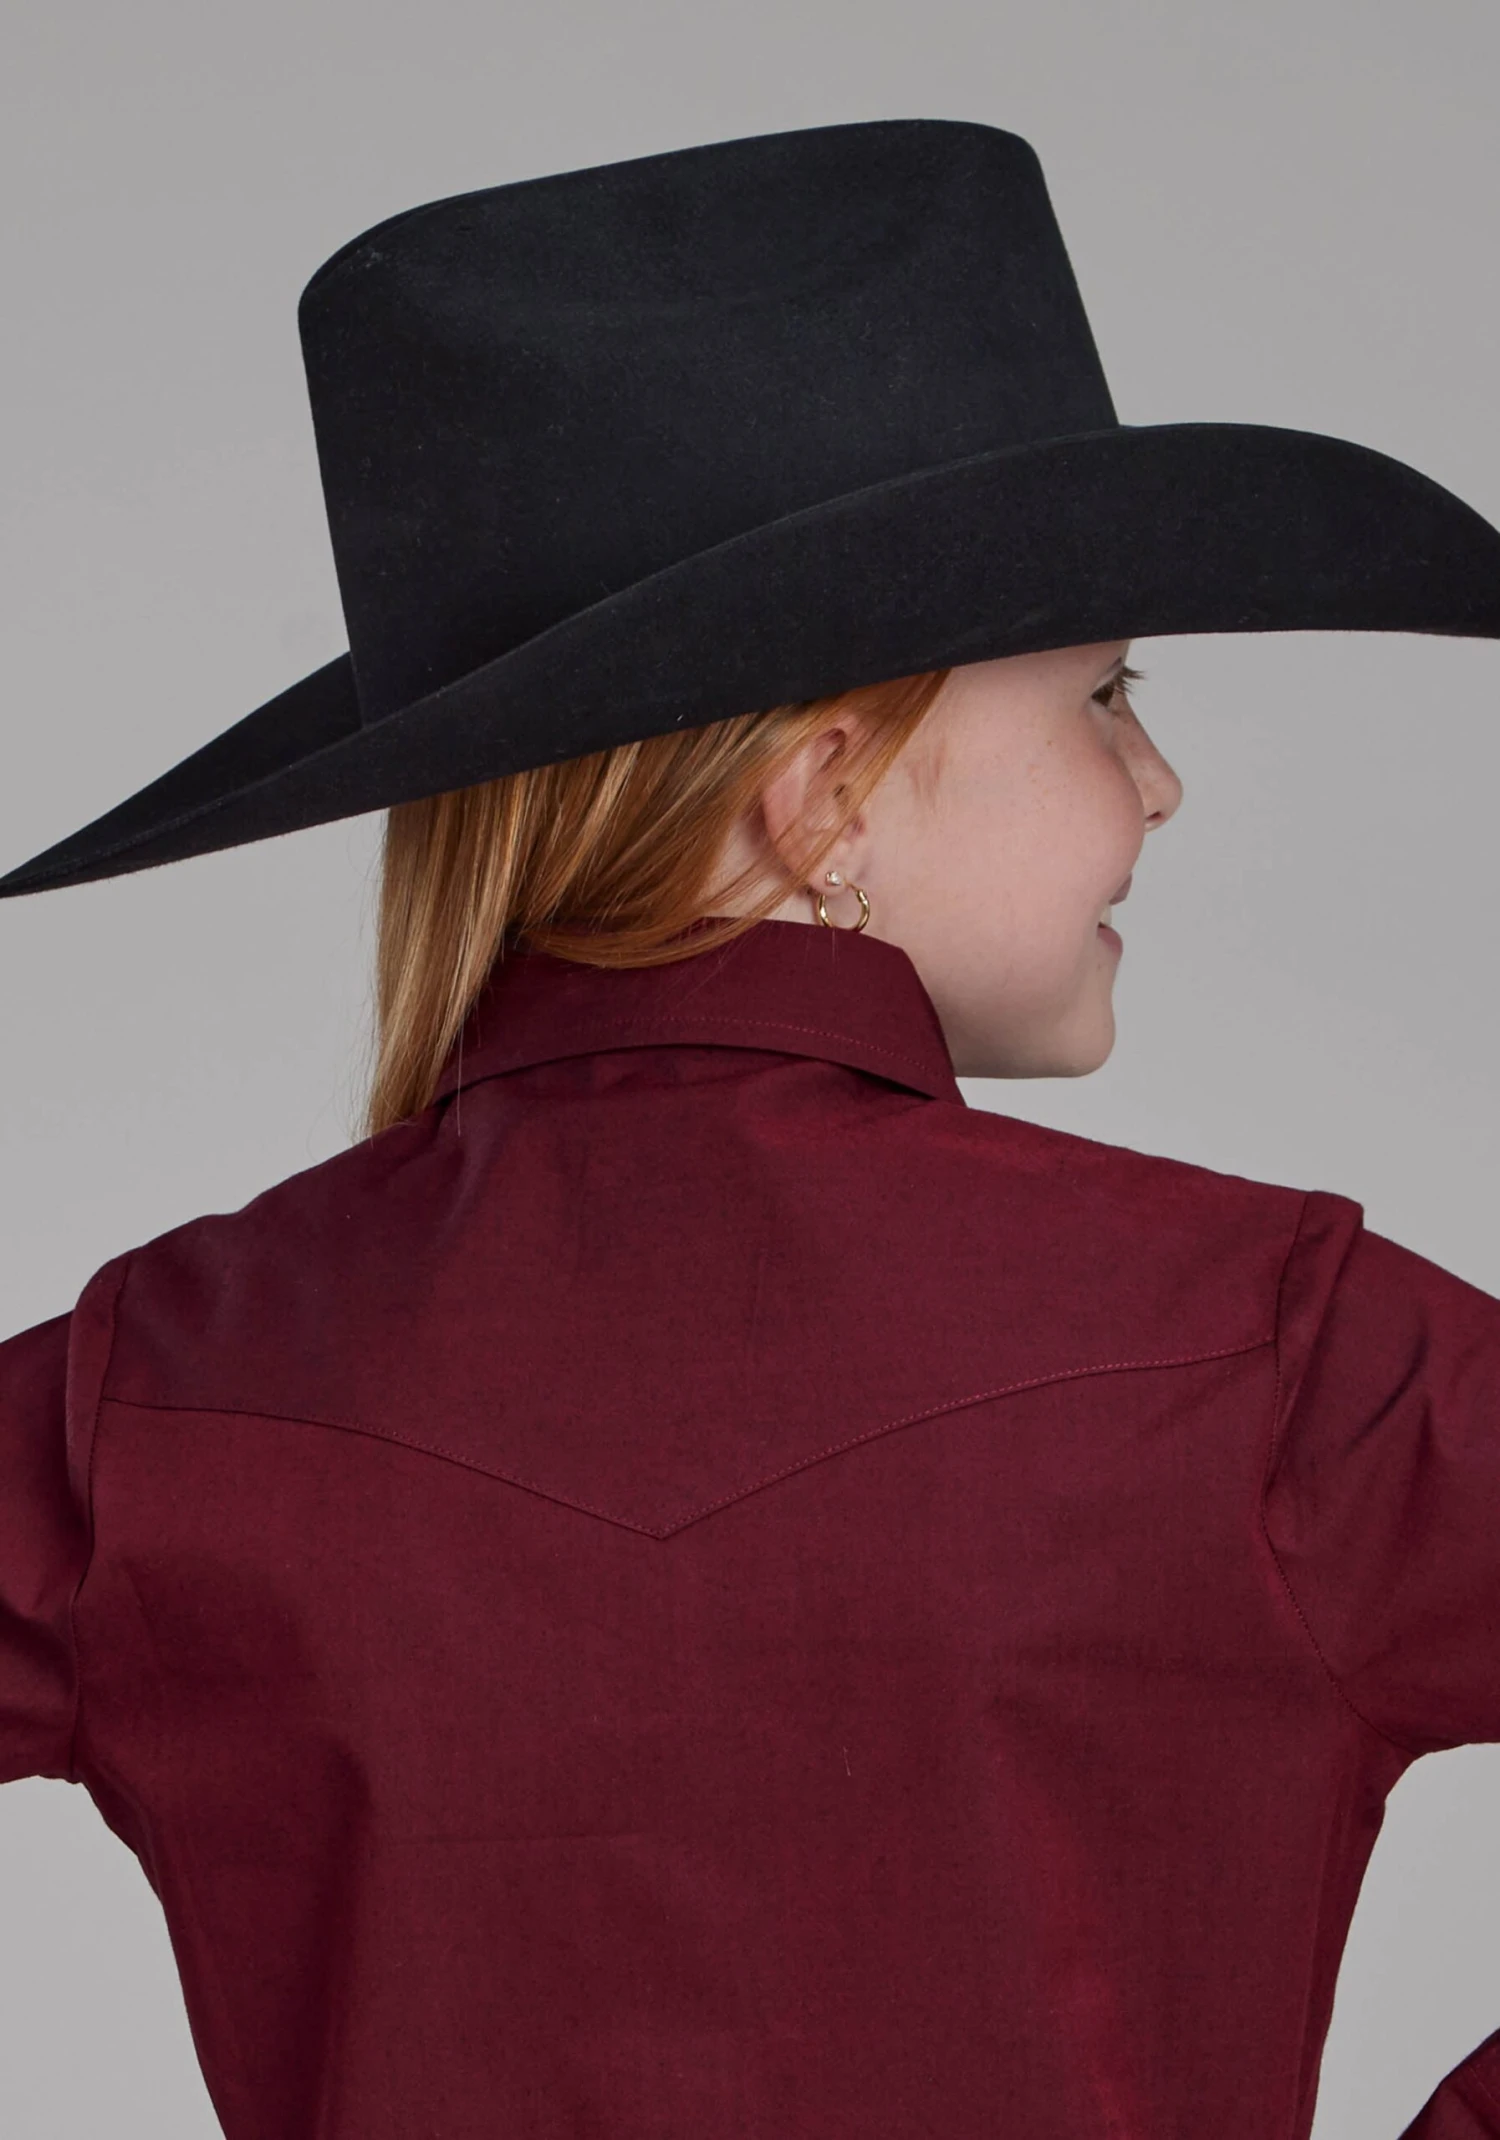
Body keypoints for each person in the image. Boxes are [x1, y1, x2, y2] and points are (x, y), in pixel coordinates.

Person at [3, 116, 1499, 2139]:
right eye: (1103, 695)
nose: (1158, 781)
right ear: (822, 792)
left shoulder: (156, 1398)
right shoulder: (1282, 1357)